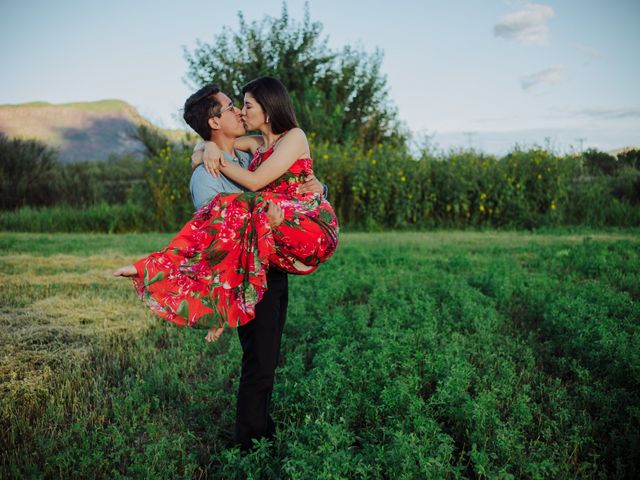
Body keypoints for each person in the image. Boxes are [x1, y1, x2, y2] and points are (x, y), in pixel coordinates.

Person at [115, 77, 339, 450]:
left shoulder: (248, 154)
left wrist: (320, 189)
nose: (239, 110)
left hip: (273, 264)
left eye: (244, 105)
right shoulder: (208, 177)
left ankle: (261, 430)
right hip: (247, 272)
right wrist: (223, 299)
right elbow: (213, 239)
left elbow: (282, 179)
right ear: (216, 121)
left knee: (266, 361)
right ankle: (251, 444)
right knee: (259, 364)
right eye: (233, 106)